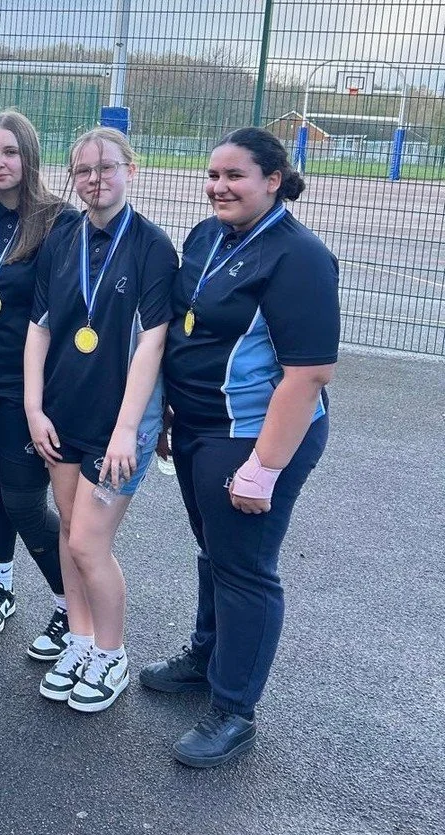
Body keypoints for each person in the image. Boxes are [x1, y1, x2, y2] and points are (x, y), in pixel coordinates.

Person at [141, 127, 339, 767]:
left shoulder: (299, 257)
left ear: (273, 179)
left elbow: (307, 374)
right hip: (198, 427)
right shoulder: (205, 236)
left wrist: (264, 466)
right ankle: (207, 655)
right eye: (213, 175)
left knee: (245, 567)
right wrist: (169, 410)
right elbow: (185, 332)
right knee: (215, 550)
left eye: (235, 177)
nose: (219, 187)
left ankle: (234, 708)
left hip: (255, 434)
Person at [24, 128, 176, 713]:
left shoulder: (151, 246)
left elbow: (152, 342)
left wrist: (124, 430)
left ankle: (111, 656)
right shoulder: (62, 237)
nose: (94, 179)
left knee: (89, 542)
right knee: (68, 529)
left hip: (120, 424)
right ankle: (81, 642)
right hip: (63, 413)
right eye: (83, 170)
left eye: (106, 167)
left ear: (130, 170)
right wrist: (34, 408)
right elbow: (39, 328)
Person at [0, 110, 78, 660]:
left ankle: (69, 603)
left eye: (9, 152)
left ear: (29, 156)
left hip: (29, 388)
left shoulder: (59, 222)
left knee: (24, 500)